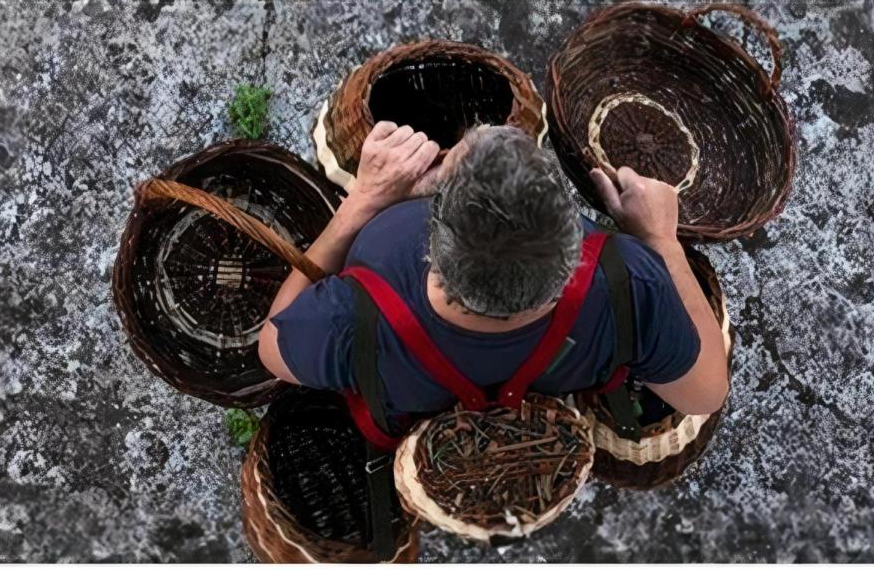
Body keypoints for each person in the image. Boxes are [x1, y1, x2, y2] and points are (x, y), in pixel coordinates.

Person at [257, 121, 728, 429]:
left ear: (433, 241)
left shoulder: (345, 320)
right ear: (573, 247)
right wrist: (661, 240)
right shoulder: (627, 277)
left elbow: (271, 349)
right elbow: (705, 392)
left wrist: (362, 203)